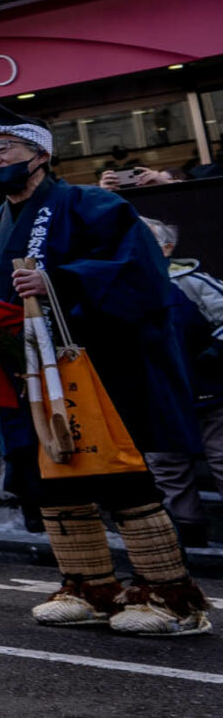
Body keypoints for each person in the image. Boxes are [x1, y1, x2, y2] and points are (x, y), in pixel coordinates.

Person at [0, 105, 206, 635]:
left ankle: (171, 594)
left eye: (5, 151)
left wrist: (61, 281)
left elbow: (138, 273)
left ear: (41, 154)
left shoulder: (93, 204)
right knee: (51, 480)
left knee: (119, 474)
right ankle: (88, 584)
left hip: (90, 365)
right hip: (24, 371)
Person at [149, 220, 220, 547]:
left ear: (167, 248)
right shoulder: (118, 284)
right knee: (167, 467)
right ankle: (188, 532)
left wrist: (214, 351)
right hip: (157, 396)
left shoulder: (192, 281)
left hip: (209, 391)